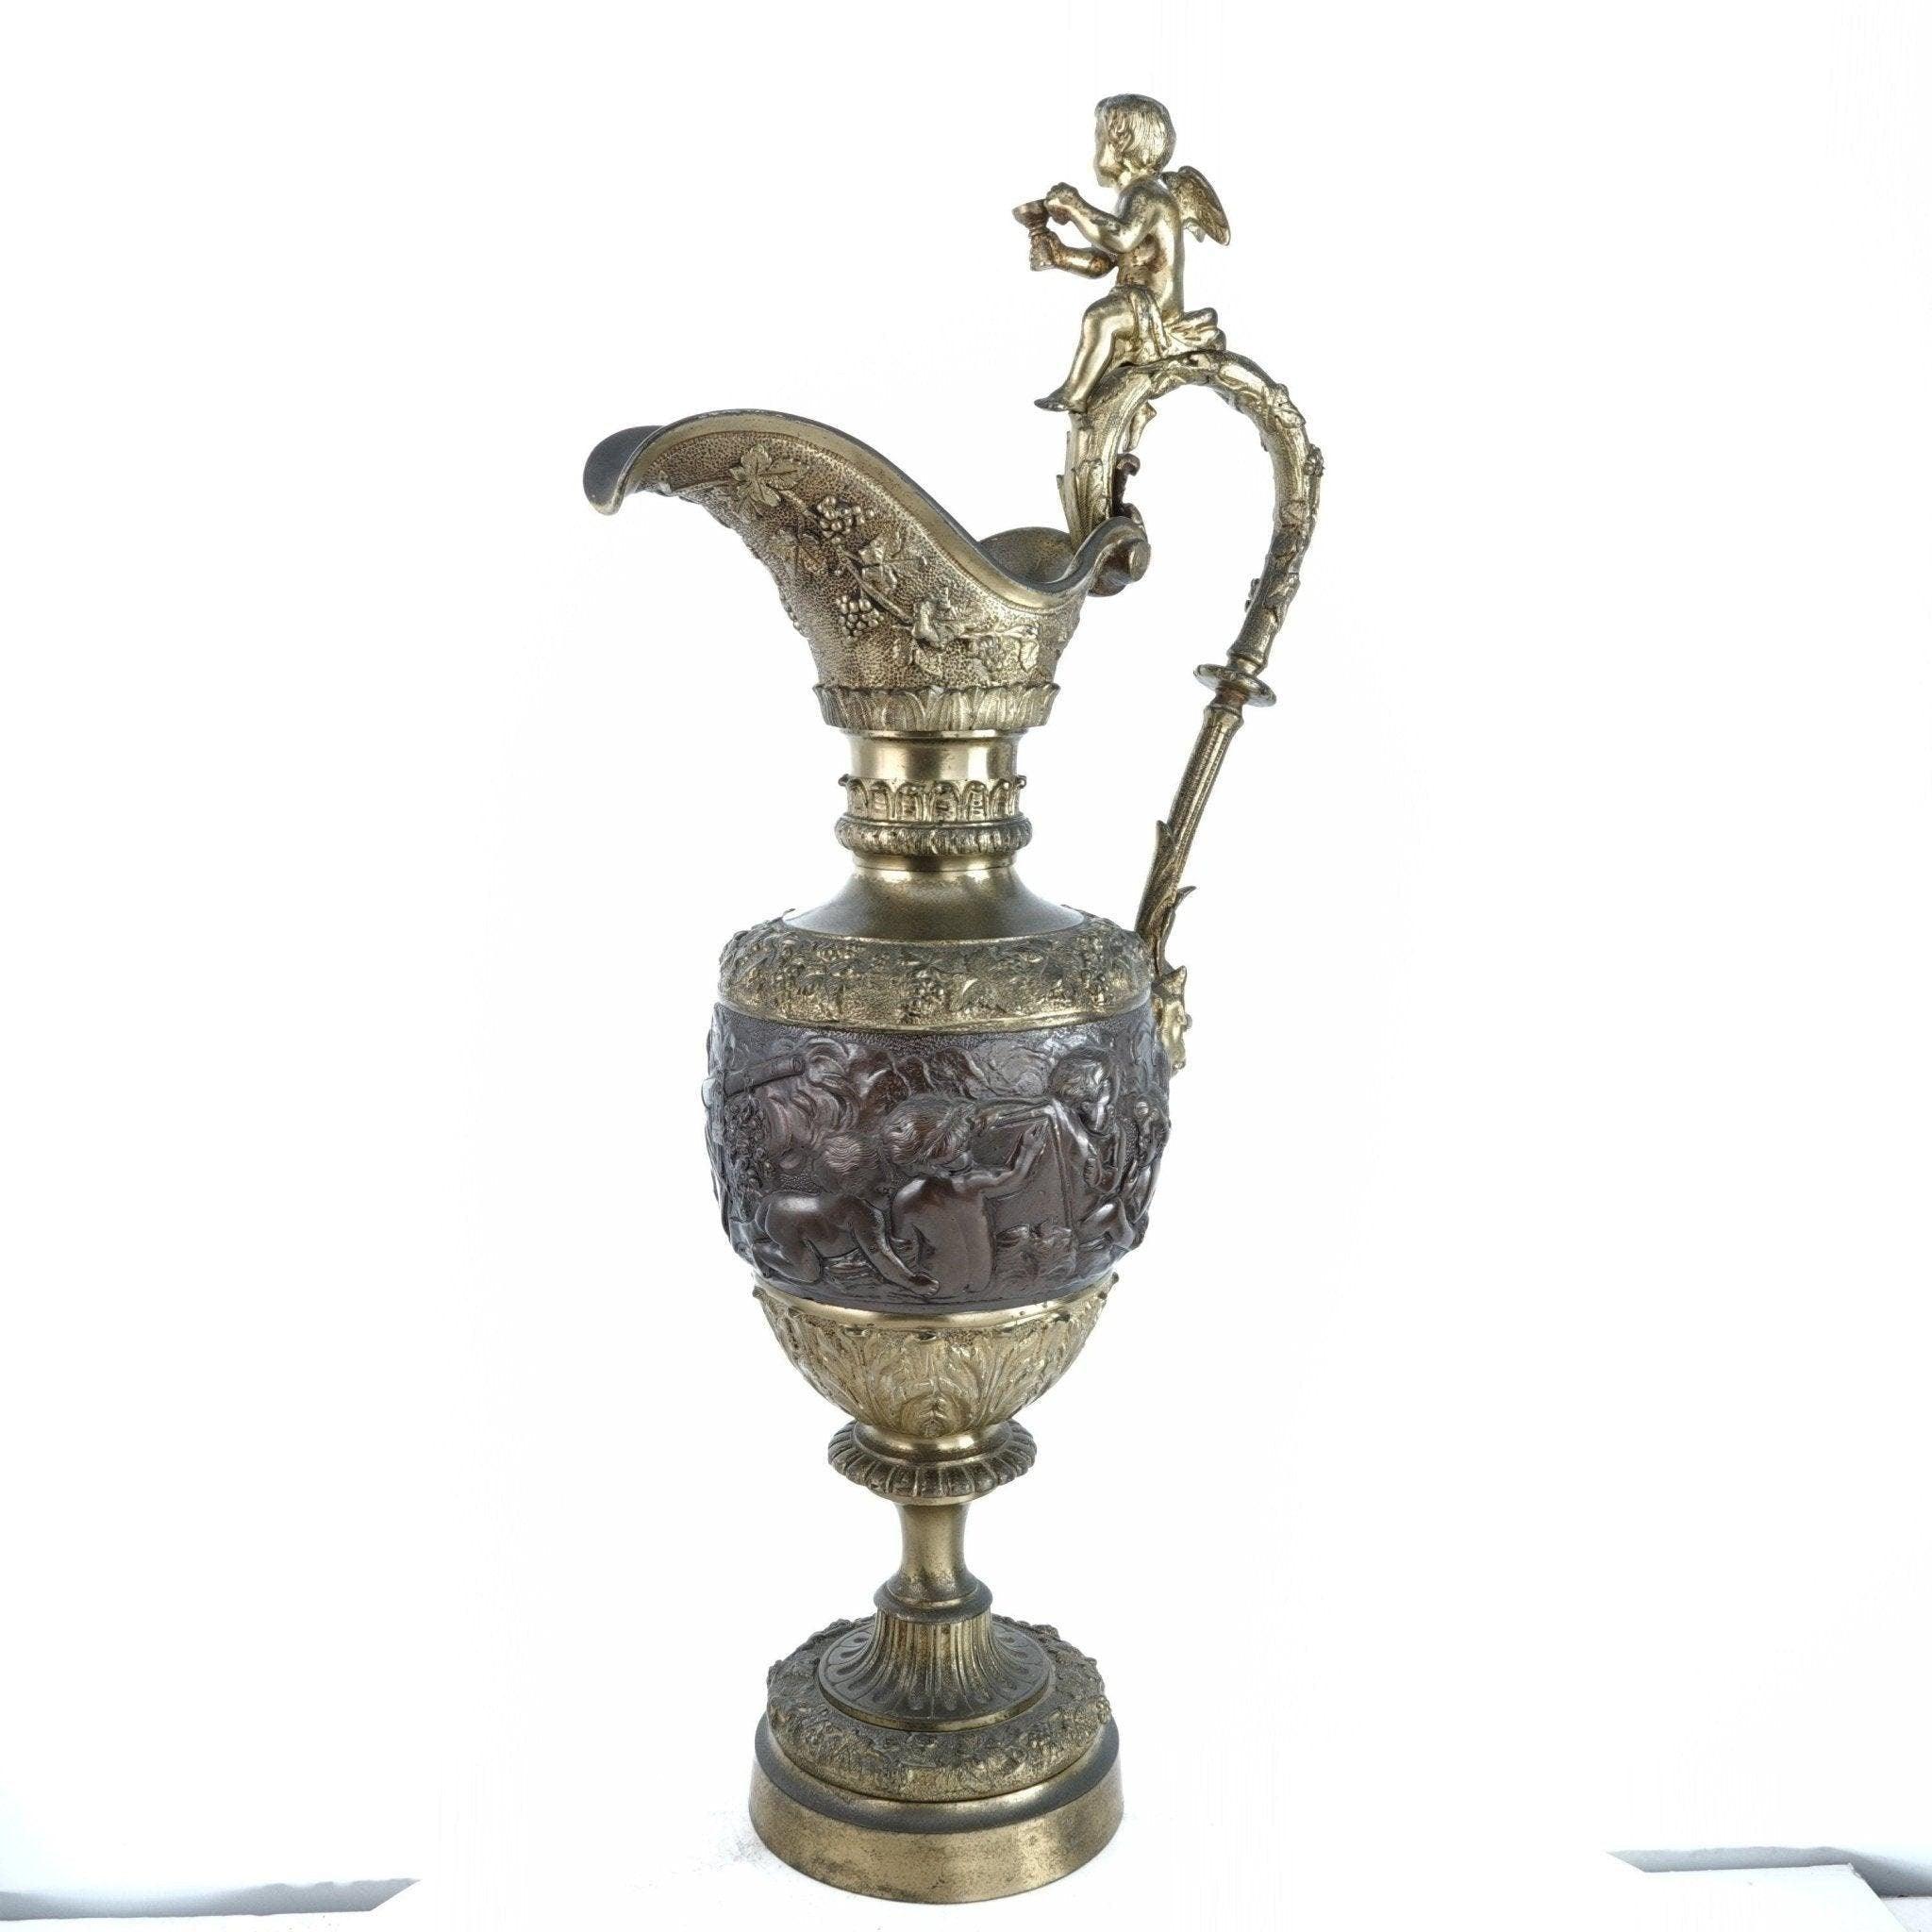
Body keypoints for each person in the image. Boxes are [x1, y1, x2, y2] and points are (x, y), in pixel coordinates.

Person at [1023, 94, 1229, 413]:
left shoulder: (1147, 194)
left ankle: (1074, 393)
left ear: (1122, 142)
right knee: (1105, 325)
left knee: (1099, 317)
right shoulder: (1130, 198)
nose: (1095, 149)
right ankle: (1110, 408)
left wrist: (1075, 206)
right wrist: (1060, 256)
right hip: (1133, 299)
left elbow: (1120, 237)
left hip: (1155, 305)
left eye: (1099, 138)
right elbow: (1101, 261)